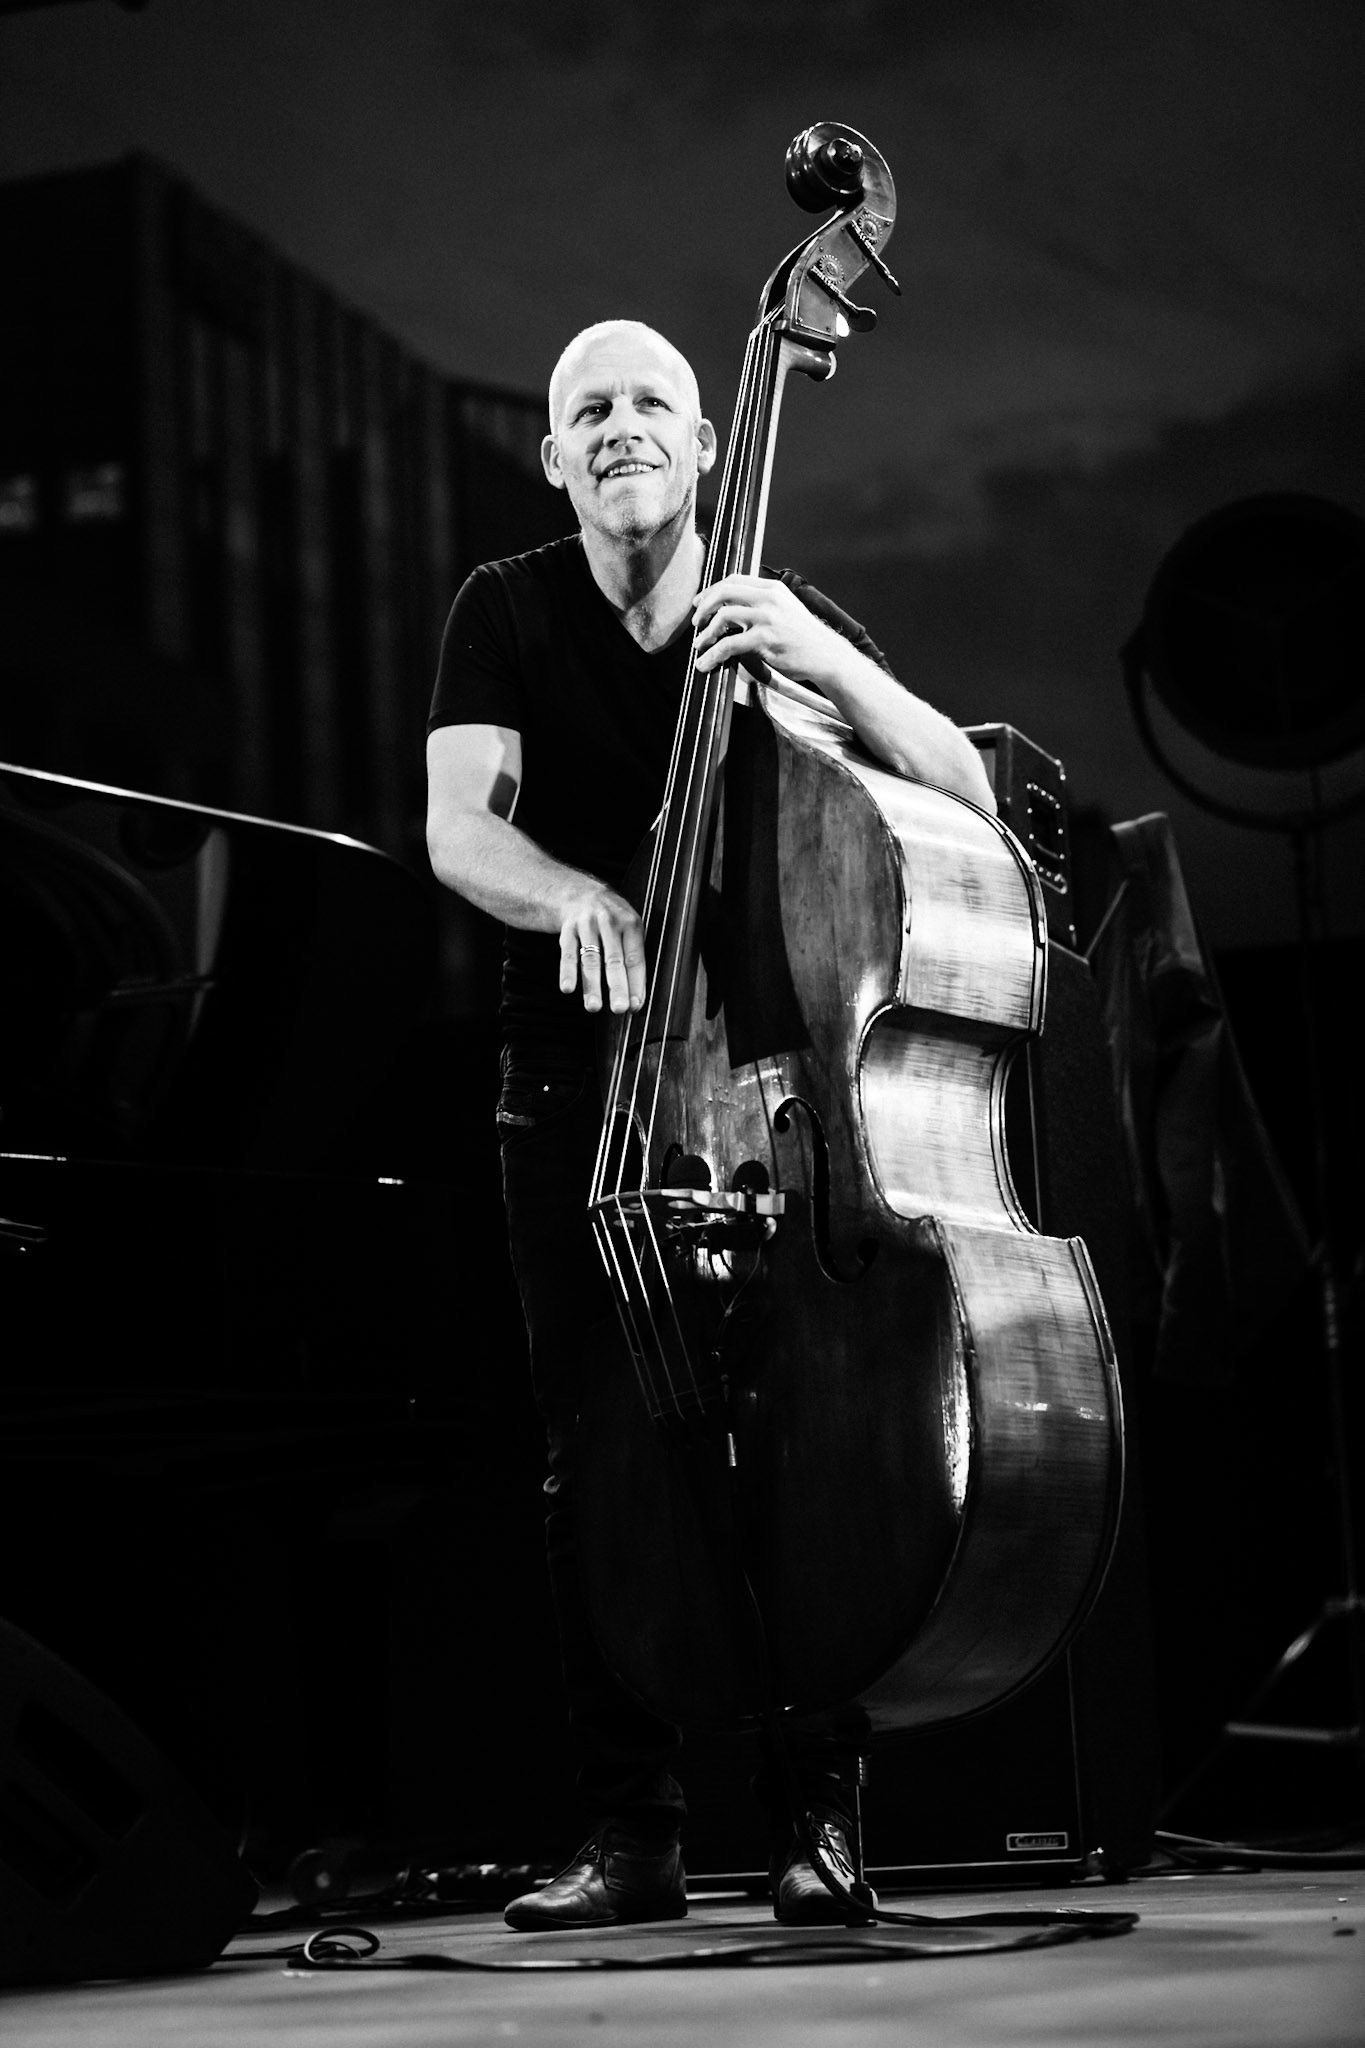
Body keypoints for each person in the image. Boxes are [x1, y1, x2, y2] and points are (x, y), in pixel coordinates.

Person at [426, 319, 995, 1931]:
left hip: (765, 1097)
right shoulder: (508, 607)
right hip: (577, 1097)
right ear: (555, 460)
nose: (617, 428)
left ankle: (820, 1818)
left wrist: (825, 662)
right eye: (585, 410)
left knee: (809, 1447)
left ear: (705, 448)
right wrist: (575, 894)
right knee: (587, 1460)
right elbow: (457, 826)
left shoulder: (775, 618)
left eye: (649, 406)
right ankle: (634, 1834)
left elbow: (957, 785)